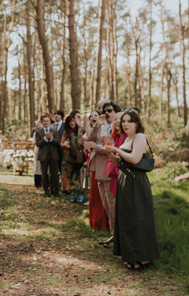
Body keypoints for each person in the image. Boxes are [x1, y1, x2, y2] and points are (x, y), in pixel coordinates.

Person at [105, 110, 160, 270]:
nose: (125, 124)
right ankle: (130, 254)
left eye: (129, 121)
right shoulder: (127, 139)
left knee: (139, 218)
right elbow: (120, 162)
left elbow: (135, 159)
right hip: (124, 180)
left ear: (136, 123)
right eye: (123, 121)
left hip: (136, 182)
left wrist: (116, 149)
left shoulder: (140, 137)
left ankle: (143, 257)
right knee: (127, 218)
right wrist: (110, 154)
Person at [85, 101, 121, 247]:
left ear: (116, 112)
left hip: (109, 170)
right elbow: (90, 140)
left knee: (112, 205)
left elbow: (111, 148)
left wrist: (96, 148)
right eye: (105, 110)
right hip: (98, 170)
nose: (106, 113)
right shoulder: (103, 127)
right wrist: (97, 126)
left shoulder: (117, 129)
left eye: (110, 110)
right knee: (107, 206)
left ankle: (117, 237)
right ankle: (114, 236)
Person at [61, 113, 85, 203]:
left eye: (73, 121)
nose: (72, 123)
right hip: (69, 157)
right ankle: (73, 194)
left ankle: (80, 193)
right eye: (70, 121)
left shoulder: (81, 130)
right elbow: (61, 143)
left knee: (79, 177)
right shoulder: (67, 132)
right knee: (70, 176)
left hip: (79, 157)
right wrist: (66, 145)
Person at [36, 114, 60, 197]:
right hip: (43, 156)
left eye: (47, 121)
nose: (46, 122)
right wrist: (45, 139)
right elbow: (38, 144)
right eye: (44, 121)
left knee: (54, 174)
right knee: (44, 174)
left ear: (50, 122)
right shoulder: (39, 132)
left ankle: (55, 191)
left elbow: (58, 143)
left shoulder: (54, 131)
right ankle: (46, 191)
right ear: (42, 122)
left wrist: (52, 138)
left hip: (53, 155)